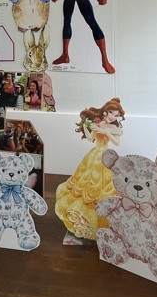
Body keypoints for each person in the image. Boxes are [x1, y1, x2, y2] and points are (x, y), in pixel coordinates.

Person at [54, 98, 126, 242]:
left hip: (105, 157)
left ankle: (101, 219)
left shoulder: (114, 128)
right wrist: (87, 127)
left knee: (102, 184)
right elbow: (90, 138)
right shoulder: (99, 124)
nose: (113, 116)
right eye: (111, 112)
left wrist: (106, 132)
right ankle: (84, 214)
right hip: (93, 156)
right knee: (85, 181)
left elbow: (117, 142)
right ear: (105, 111)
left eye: (116, 115)